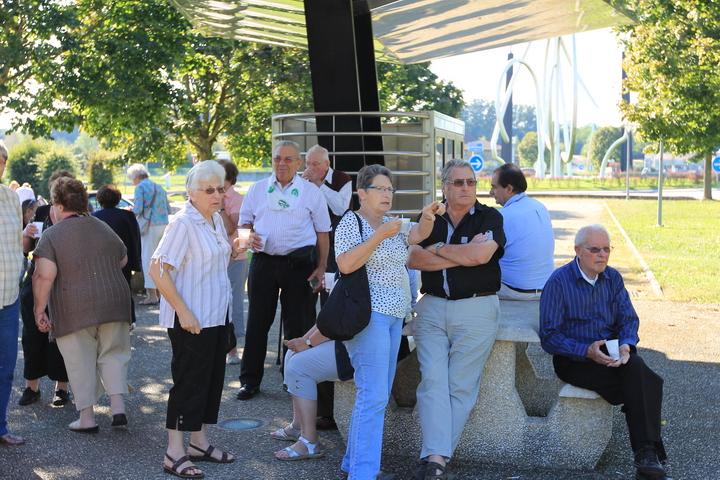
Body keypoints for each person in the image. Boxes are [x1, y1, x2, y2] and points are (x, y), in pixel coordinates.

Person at [539, 224, 669, 480]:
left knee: (638, 368)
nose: (602, 254)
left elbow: (628, 319)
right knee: (644, 385)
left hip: (610, 352)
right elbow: (549, 336)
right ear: (577, 250)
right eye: (595, 249)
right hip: (574, 359)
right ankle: (648, 454)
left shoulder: (613, 278)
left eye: (607, 249)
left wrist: (626, 344)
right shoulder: (558, 282)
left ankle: (646, 454)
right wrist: (586, 351)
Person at [335, 163, 438, 480]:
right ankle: (363, 474)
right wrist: (379, 235)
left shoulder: (394, 223)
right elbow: (345, 264)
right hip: (369, 317)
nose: (387, 194)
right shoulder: (351, 222)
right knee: (374, 396)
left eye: (390, 189)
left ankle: (354, 464)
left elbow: (419, 234)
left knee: (374, 394)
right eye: (380, 189)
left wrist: (427, 217)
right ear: (362, 193)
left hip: (394, 318)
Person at [407, 159, 506, 480]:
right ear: (444, 187)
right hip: (432, 308)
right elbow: (413, 257)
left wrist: (436, 249)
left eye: (471, 182)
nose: (466, 188)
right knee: (432, 382)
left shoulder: (490, 217)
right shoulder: (429, 217)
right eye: (458, 182)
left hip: (477, 309)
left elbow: (481, 255)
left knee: (460, 386)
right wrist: (459, 254)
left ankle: (434, 460)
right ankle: (437, 461)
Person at [150, 160, 247, 479]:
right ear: (191, 193)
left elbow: (211, 265)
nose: (217, 195)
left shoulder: (215, 219)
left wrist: (233, 249)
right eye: (209, 190)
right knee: (189, 383)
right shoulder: (183, 223)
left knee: (210, 382)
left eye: (220, 188)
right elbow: (157, 270)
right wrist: (183, 310)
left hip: (216, 315)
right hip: (191, 320)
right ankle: (174, 452)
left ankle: (199, 443)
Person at [33, 177, 132, 432]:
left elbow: (44, 276)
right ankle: (118, 408)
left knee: (79, 359)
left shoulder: (52, 235)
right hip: (114, 300)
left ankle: (87, 419)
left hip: (73, 306)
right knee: (114, 353)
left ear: (58, 205)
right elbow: (123, 260)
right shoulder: (102, 226)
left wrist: (39, 309)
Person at [235, 140, 331, 401]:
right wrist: (248, 237)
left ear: (299, 163)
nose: (282, 163)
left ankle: (295, 380)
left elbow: (323, 232)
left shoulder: (311, 192)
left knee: (299, 324)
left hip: (300, 265)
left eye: (289, 159)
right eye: (278, 158)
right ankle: (249, 380)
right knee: (257, 322)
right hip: (264, 263)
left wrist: (321, 267)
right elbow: (244, 224)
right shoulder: (257, 189)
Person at [301, 144, 353, 430]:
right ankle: (302, 358)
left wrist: (319, 186)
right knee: (304, 307)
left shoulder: (342, 180)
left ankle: (323, 353)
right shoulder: (303, 181)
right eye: (307, 164)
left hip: (336, 250)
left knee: (329, 305)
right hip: (309, 246)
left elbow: (341, 208)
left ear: (326, 164)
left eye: (315, 164)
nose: (309, 169)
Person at [18, 171, 72, 408]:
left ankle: (62, 388)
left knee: (62, 335)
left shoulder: (76, 215)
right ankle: (32, 387)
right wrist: (26, 234)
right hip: (36, 278)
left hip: (64, 282)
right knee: (32, 334)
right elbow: (26, 248)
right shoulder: (40, 212)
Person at [269, 325, 353, 461]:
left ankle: (309, 442)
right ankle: (298, 426)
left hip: (362, 347)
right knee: (291, 353)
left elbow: (337, 321)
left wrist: (308, 343)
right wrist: (303, 341)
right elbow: (326, 319)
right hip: (347, 337)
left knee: (298, 364)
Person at [0, 140, 32, 445]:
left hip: (8, 295)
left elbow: (14, 243)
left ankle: (0, 427)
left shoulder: (11, 197)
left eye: (1, 161)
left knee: (6, 368)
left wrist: (28, 240)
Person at [489, 163, 555, 300]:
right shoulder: (540, 206)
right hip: (545, 288)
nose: (491, 192)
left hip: (515, 290)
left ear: (509, 188)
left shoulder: (504, 216)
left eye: (494, 187)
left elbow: (480, 255)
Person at [92, 185, 142, 328]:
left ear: (99, 199)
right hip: (124, 260)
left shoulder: (95, 217)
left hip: (101, 262)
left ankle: (104, 319)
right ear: (118, 199)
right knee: (125, 289)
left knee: (103, 291)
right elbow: (135, 238)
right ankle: (129, 319)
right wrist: (136, 261)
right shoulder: (128, 216)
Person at [215, 159, 248, 365]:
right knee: (213, 300)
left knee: (232, 302)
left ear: (227, 179)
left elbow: (230, 229)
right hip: (212, 257)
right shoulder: (209, 195)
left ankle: (232, 349)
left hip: (235, 258)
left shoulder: (236, 199)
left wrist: (220, 208)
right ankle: (215, 346)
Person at [128, 163, 170, 305]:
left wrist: (129, 215)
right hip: (163, 224)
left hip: (149, 226)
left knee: (148, 260)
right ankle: (162, 293)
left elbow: (138, 209)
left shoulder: (140, 187)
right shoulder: (159, 186)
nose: (132, 182)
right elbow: (168, 208)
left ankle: (152, 296)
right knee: (161, 260)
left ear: (136, 176)